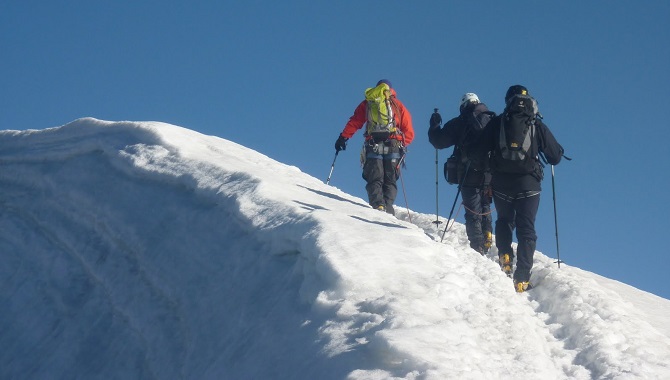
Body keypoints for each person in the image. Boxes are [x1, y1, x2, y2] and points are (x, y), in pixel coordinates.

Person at [479, 85, 564, 293]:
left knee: (504, 220)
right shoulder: (536, 123)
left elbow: (479, 150)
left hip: (501, 183)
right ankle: (522, 277)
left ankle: (505, 256)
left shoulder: (498, 122)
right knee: (526, 229)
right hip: (529, 184)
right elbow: (555, 156)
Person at [334, 79, 414, 215]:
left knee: (375, 177)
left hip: (373, 143)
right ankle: (388, 207)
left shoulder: (369, 103)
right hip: (393, 145)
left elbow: (355, 121)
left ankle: (378, 206)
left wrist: (343, 137)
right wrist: (401, 144)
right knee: (390, 179)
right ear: (391, 90)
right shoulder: (397, 105)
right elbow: (409, 133)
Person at [428, 93, 494, 254]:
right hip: (490, 172)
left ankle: (478, 246)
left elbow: (439, 142)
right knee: (485, 204)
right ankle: (488, 236)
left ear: (463, 106)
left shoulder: (460, 122)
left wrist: (434, 125)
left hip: (467, 172)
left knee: (472, 209)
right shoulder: (493, 119)